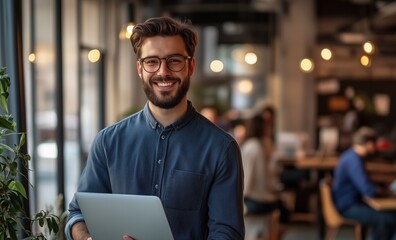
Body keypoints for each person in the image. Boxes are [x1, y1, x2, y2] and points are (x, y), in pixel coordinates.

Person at [65, 16, 245, 240]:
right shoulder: (108, 141)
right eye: (151, 61)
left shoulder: (221, 148)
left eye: (174, 60)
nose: (163, 72)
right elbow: (78, 214)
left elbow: (227, 232)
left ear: (190, 66)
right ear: (140, 68)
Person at [332, 126, 396, 240]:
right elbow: (368, 190)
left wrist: (382, 188)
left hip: (349, 203)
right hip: (349, 206)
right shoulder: (354, 161)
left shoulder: (350, 156)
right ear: (369, 144)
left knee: (391, 219)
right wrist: (386, 192)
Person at [241, 113, 289, 239]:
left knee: (283, 208)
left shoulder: (254, 146)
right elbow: (247, 179)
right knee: (284, 209)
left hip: (257, 198)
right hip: (258, 200)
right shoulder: (255, 147)